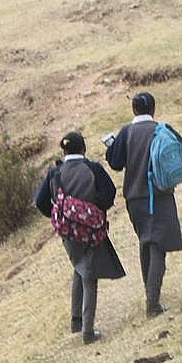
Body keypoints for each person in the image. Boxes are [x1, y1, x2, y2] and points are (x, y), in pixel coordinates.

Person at [105, 92, 182, 318]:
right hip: (160, 196)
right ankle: (152, 303)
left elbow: (115, 164)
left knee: (146, 242)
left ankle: (150, 295)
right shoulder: (162, 129)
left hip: (134, 198)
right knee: (158, 247)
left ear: (134, 110)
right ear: (153, 109)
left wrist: (111, 147)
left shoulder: (126, 132)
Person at [35, 131, 121, 344]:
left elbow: (40, 202)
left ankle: (76, 321)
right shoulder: (93, 169)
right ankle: (88, 332)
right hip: (90, 231)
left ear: (63, 151)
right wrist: (92, 210)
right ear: (84, 149)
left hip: (67, 233)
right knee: (90, 276)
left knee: (79, 268)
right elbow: (109, 194)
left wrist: (61, 216)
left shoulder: (55, 173)